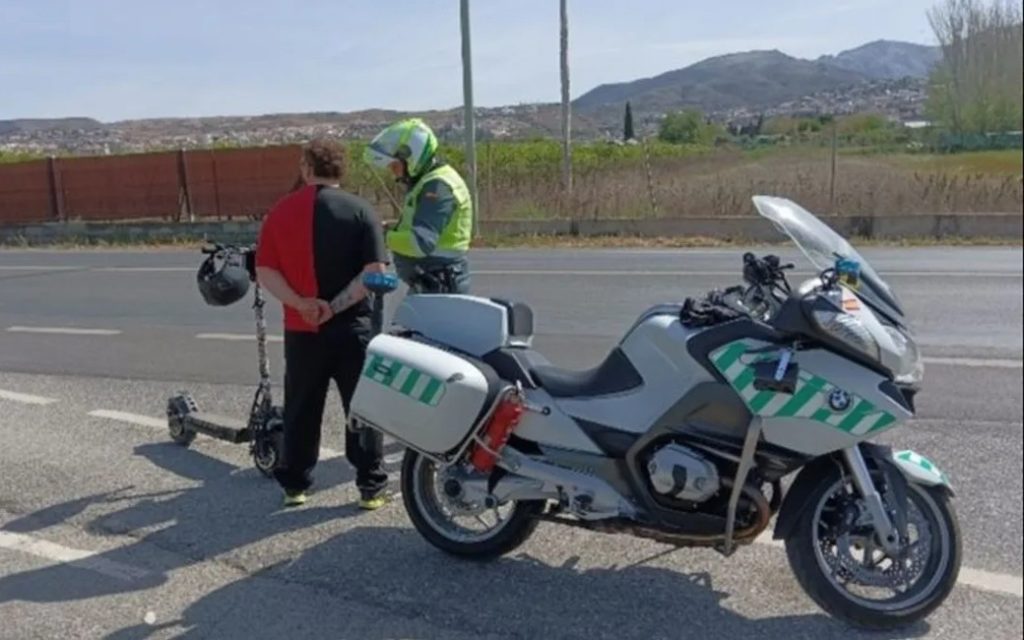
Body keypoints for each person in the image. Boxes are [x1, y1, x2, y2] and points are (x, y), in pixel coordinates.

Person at [254, 137, 390, 510]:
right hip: (352, 329)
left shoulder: (279, 212)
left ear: (306, 168)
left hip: (302, 329)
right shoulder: (362, 211)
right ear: (341, 169)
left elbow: (265, 269)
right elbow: (375, 272)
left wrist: (302, 304)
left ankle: (295, 485)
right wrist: (334, 306)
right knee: (361, 407)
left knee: (301, 406)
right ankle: (370, 486)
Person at [363, 118, 473, 293]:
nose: (393, 172)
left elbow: (420, 243)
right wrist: (387, 228)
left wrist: (381, 236)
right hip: (430, 281)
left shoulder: (437, 186)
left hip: (438, 284)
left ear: (411, 158)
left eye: (394, 165)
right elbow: (416, 225)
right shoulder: (428, 181)